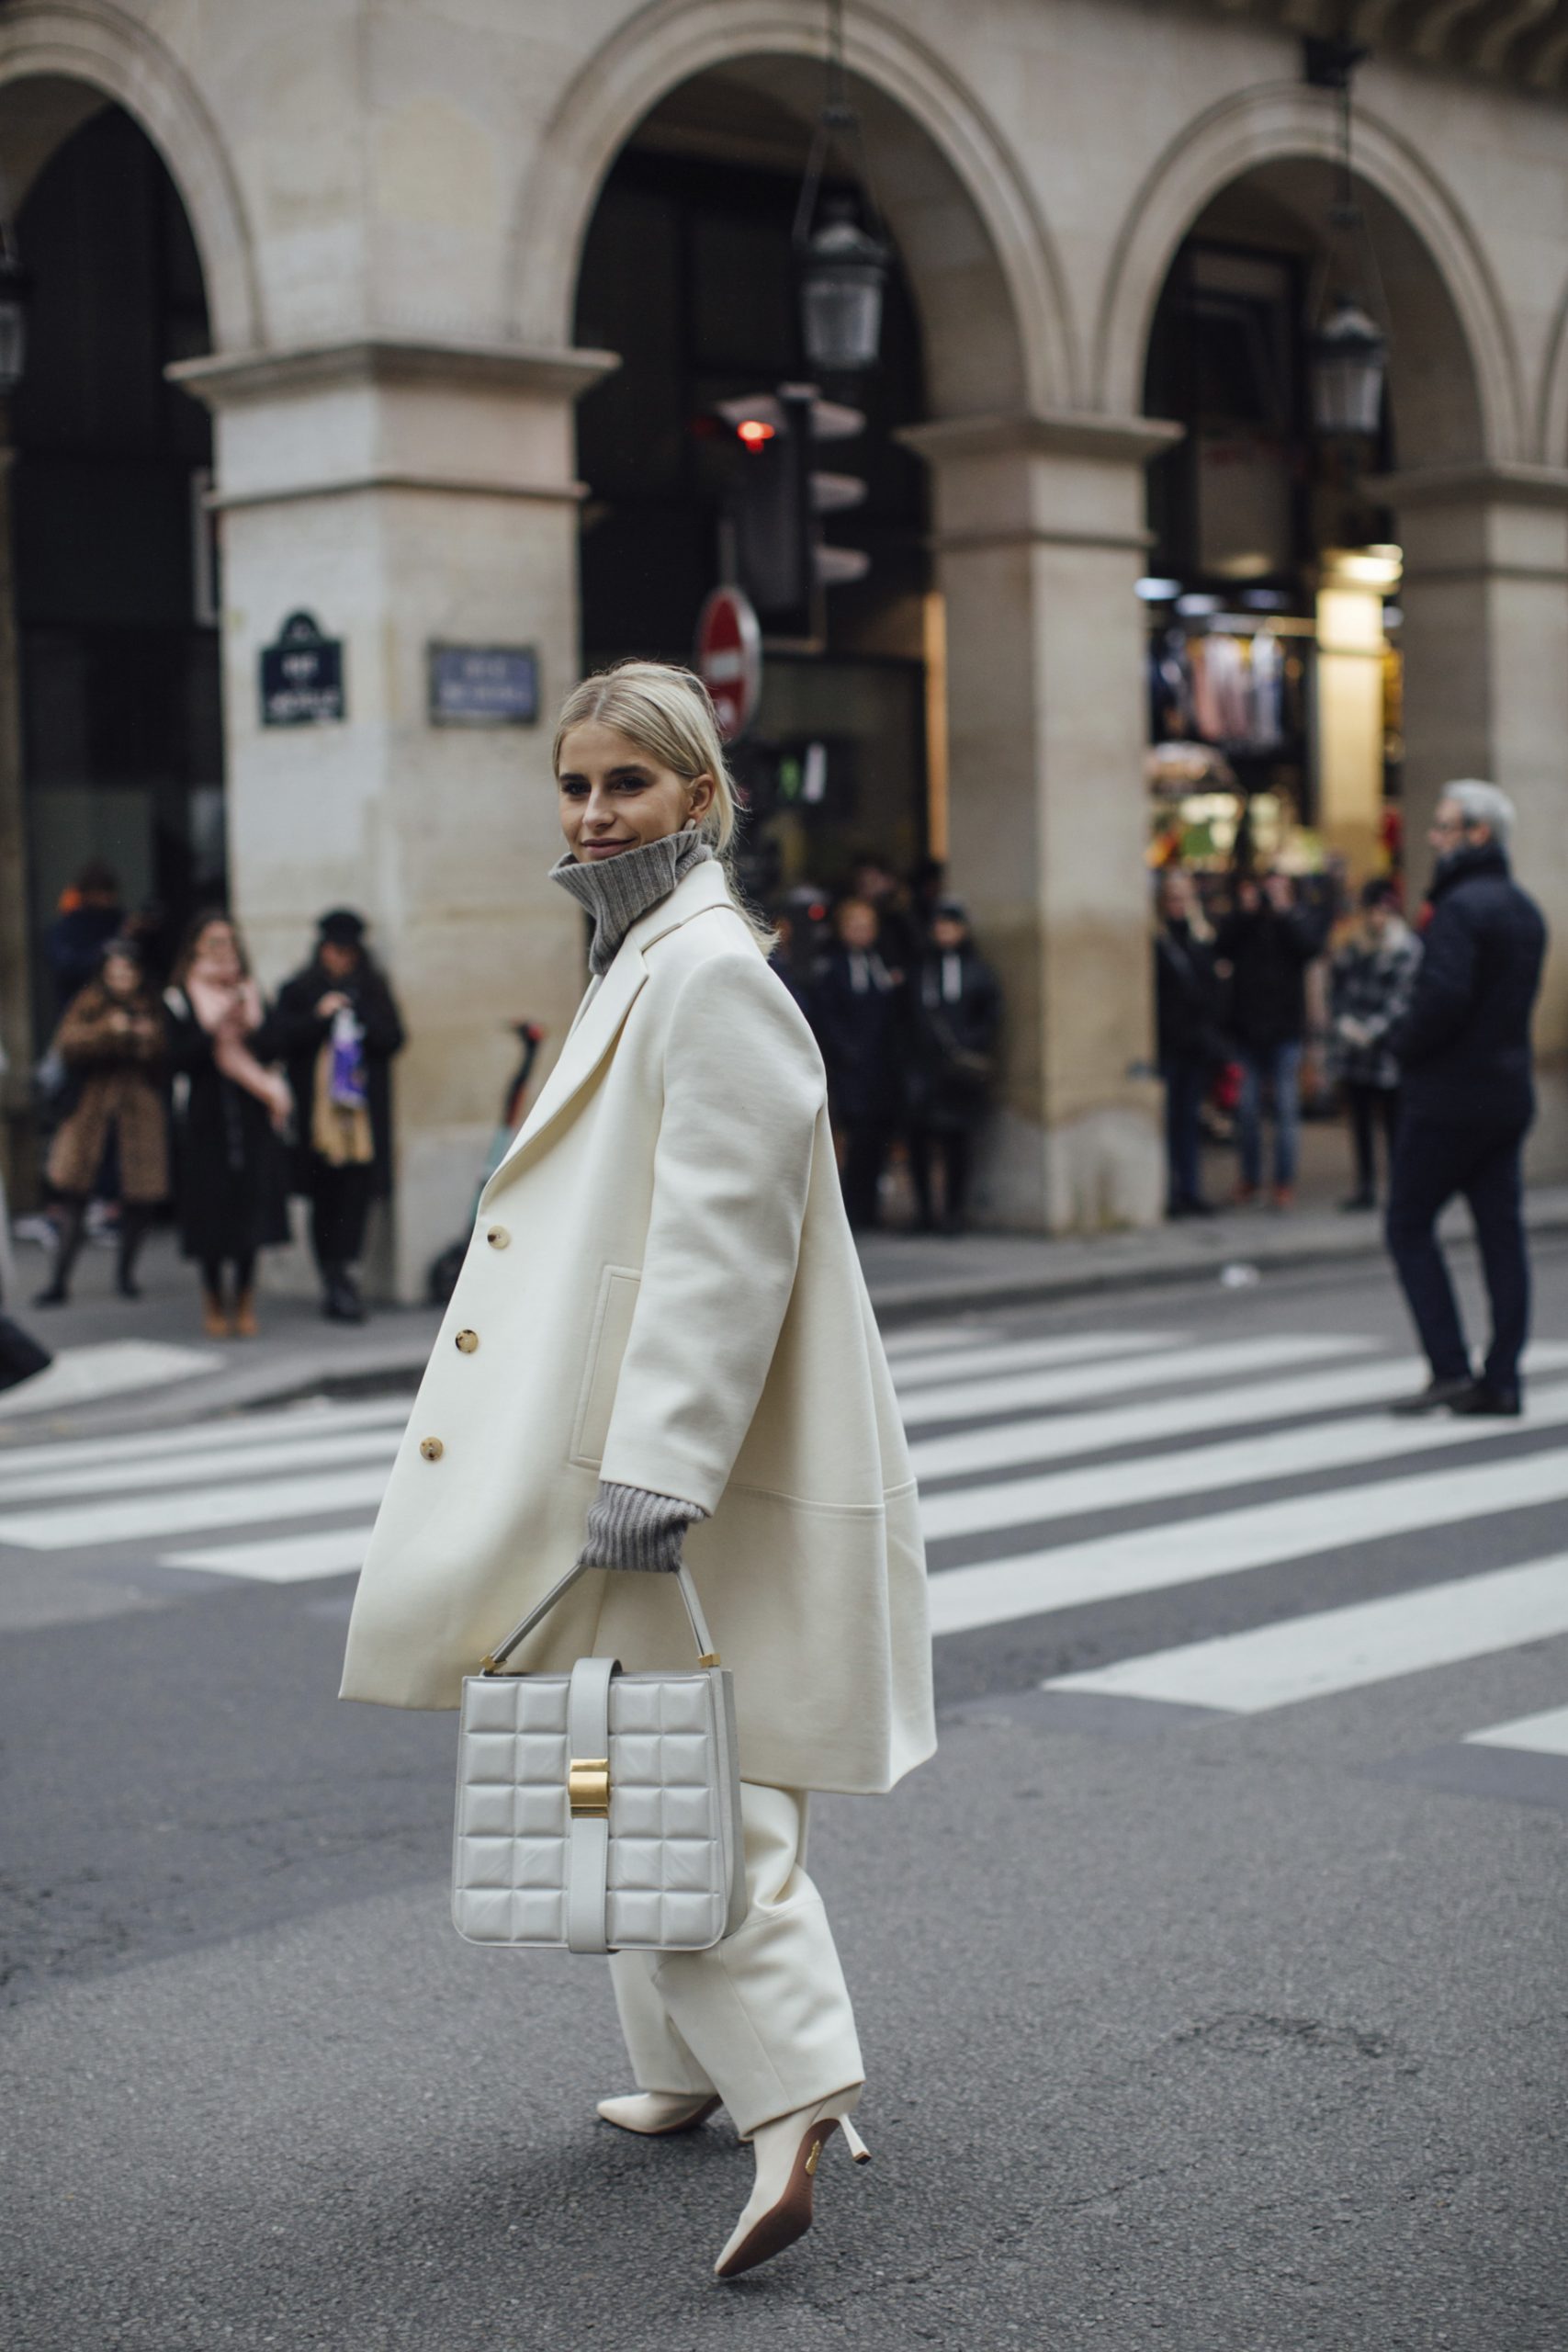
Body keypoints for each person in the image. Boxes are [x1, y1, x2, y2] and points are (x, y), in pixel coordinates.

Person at [340, 659, 934, 2283]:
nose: (595, 811)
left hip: (667, 1469)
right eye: (576, 783)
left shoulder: (706, 972)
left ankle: (795, 2095)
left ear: (699, 797)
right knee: (619, 1754)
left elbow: (723, 1248)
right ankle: (685, 2068)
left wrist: (659, 1464)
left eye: (627, 784)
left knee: (674, 1778)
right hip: (618, 1450)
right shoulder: (633, 956)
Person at [1386, 781, 1547, 1417]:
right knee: (1499, 1236)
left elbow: (1443, 1000)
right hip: (1505, 1091)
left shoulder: (1458, 909)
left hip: (1450, 1096)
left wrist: (1402, 1047)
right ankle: (1501, 1376)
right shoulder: (1522, 908)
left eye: (1445, 827)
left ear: (1478, 834)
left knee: (1406, 1224)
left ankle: (1449, 1364)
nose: (1434, 838)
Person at [270, 910, 406, 1323]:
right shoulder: (299, 990)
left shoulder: (371, 990)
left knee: (356, 1198)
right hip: (318, 1120)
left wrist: (359, 1015)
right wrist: (320, 1017)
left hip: (360, 1120)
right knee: (323, 1199)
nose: (341, 959)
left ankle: (345, 1276)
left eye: (348, 952)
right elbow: (278, 1039)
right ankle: (331, 1279)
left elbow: (395, 1039)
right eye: (334, 951)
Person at [163, 911, 292, 1340]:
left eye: (229, 942)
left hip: (250, 1115)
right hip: (207, 1118)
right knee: (211, 1216)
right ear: (196, 947)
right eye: (213, 942)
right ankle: (214, 1300)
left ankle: (246, 1301)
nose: (222, 951)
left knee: (250, 1212)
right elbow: (177, 1059)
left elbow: (274, 1046)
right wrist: (215, 1027)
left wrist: (246, 1023)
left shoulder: (252, 993)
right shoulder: (182, 997)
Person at [34, 940, 167, 1306]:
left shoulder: (151, 1006)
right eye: (116, 971)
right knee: (75, 1197)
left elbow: (164, 1051)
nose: (122, 978)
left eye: (128, 971)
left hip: (136, 1114)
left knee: (138, 1199)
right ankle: (58, 1280)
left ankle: (126, 1275)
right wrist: (112, 1030)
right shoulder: (90, 1002)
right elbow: (68, 1043)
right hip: (90, 1113)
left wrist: (141, 1037)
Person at [1214, 868, 1328, 1209]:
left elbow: (1310, 947)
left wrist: (1284, 914)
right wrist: (1245, 913)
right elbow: (1222, 948)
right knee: (1246, 1110)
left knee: (1285, 1110)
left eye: (1279, 891)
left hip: (1285, 1032)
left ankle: (1283, 1182)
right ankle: (1250, 1178)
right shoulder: (1248, 924)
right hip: (1247, 1031)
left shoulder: (1294, 923)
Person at [906, 897, 1000, 1235]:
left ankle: (955, 1212)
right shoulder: (922, 970)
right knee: (919, 1141)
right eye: (939, 926)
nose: (944, 932)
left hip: (959, 1072)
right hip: (924, 1070)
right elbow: (906, 1018)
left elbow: (990, 1015)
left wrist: (970, 1046)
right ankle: (925, 1213)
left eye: (950, 925)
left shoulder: (978, 971)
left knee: (958, 1142)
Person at [812, 896, 906, 1230]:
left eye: (867, 926)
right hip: (850, 1068)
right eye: (855, 925)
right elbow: (827, 1016)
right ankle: (851, 1208)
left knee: (877, 1137)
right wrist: (846, 1052)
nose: (861, 932)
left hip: (880, 1067)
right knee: (853, 1138)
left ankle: (870, 1207)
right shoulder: (833, 967)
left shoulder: (881, 962)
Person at [1329, 878, 1421, 1211]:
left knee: (1395, 1123)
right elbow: (1339, 989)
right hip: (1355, 1051)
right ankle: (1365, 1185)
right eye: (1372, 911)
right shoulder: (1353, 946)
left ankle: (1401, 1186)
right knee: (1361, 1122)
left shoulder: (1405, 947)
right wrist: (1345, 1024)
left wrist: (1373, 1029)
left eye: (1383, 911)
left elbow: (1402, 999)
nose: (1377, 918)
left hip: (1388, 1051)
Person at [1154, 867, 1224, 1217]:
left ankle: (1190, 1189)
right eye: (1172, 898)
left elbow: (1212, 989)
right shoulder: (1157, 942)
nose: (1178, 904)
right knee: (1168, 1120)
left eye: (1183, 897)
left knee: (1188, 1120)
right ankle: (1169, 1191)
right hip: (1169, 1045)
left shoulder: (1200, 938)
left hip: (1195, 1045)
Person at [45, 859, 124, 1012]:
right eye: (101, 893)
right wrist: (106, 949)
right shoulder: (68, 927)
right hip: (78, 1007)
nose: (106, 900)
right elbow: (65, 965)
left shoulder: (119, 921)